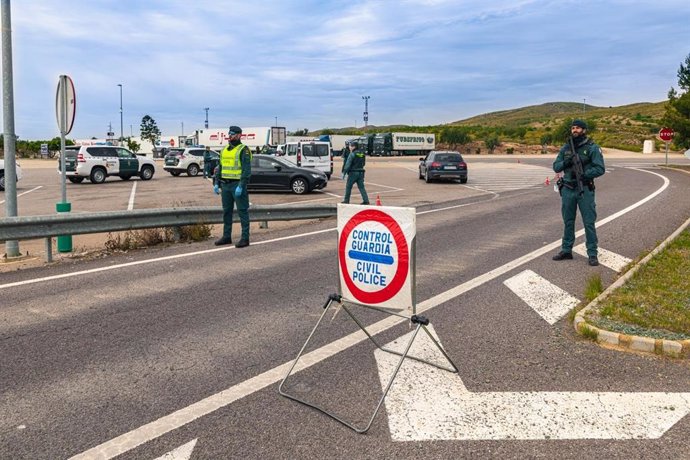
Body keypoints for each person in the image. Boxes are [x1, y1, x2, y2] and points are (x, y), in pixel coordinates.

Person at [552, 119, 606, 266]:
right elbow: (556, 166)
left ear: (584, 130)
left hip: (585, 190)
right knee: (568, 221)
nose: (574, 130)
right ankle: (566, 250)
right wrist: (566, 162)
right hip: (568, 189)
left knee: (589, 222)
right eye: (573, 128)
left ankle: (592, 253)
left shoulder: (592, 148)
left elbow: (600, 168)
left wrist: (585, 174)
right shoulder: (566, 148)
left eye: (578, 128)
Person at [213, 125, 252, 248]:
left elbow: (246, 170)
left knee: (242, 212)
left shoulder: (243, 150)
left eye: (233, 134)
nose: (230, 136)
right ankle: (226, 236)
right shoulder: (224, 150)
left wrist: (241, 185)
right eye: (229, 133)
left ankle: (245, 238)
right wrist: (216, 182)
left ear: (239, 135)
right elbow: (220, 167)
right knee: (226, 212)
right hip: (226, 185)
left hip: (237, 185)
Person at [341, 140, 370, 205]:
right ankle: (366, 200)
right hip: (361, 172)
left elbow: (348, 164)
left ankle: (346, 200)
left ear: (354, 147)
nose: (349, 147)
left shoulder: (352, 154)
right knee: (361, 187)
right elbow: (364, 163)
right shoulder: (362, 154)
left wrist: (344, 172)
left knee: (348, 186)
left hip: (353, 172)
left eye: (351, 146)